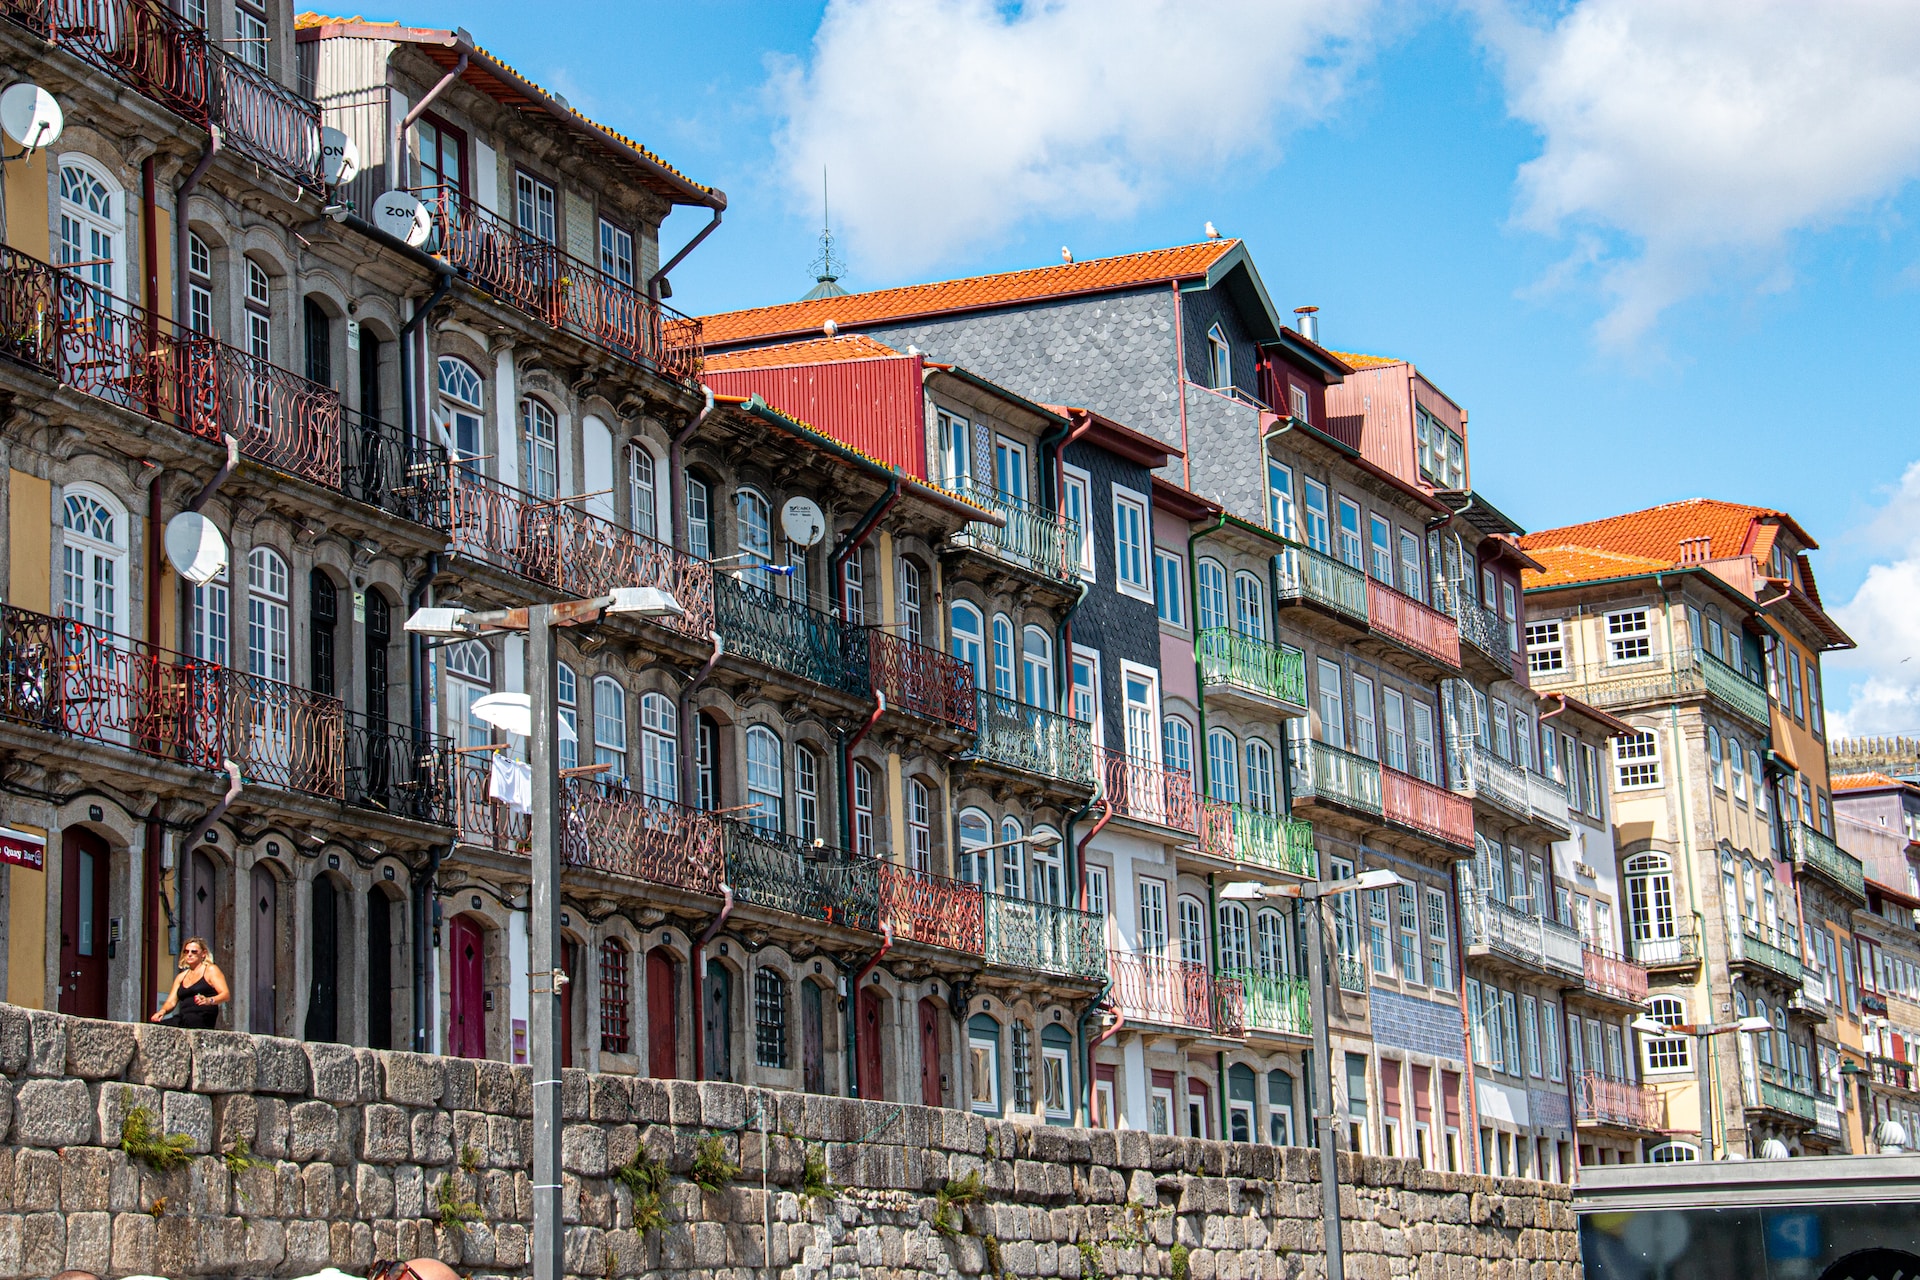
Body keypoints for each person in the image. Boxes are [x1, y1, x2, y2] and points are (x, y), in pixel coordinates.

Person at [150, 937, 229, 1029]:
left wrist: (208, 1000)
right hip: (183, 1018)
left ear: (203, 954)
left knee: (189, 1022)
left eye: (194, 952)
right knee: (156, 1028)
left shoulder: (210, 970)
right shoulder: (181, 977)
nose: (189, 955)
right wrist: (162, 1011)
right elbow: (171, 1002)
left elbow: (225, 994)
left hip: (202, 1016)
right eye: (186, 952)